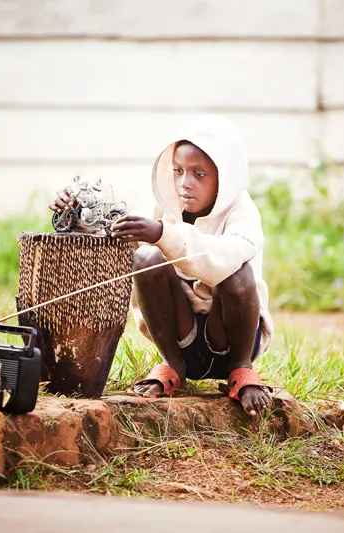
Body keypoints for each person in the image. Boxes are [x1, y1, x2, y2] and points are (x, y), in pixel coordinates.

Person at [51, 115, 274, 416]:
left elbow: (226, 257)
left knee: (238, 272)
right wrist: (77, 216)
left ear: (225, 176)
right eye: (178, 171)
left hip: (232, 342)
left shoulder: (242, 212)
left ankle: (241, 373)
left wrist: (162, 233)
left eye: (199, 174)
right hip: (184, 343)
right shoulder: (166, 204)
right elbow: (120, 234)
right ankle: (173, 367)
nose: (185, 183)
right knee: (145, 258)